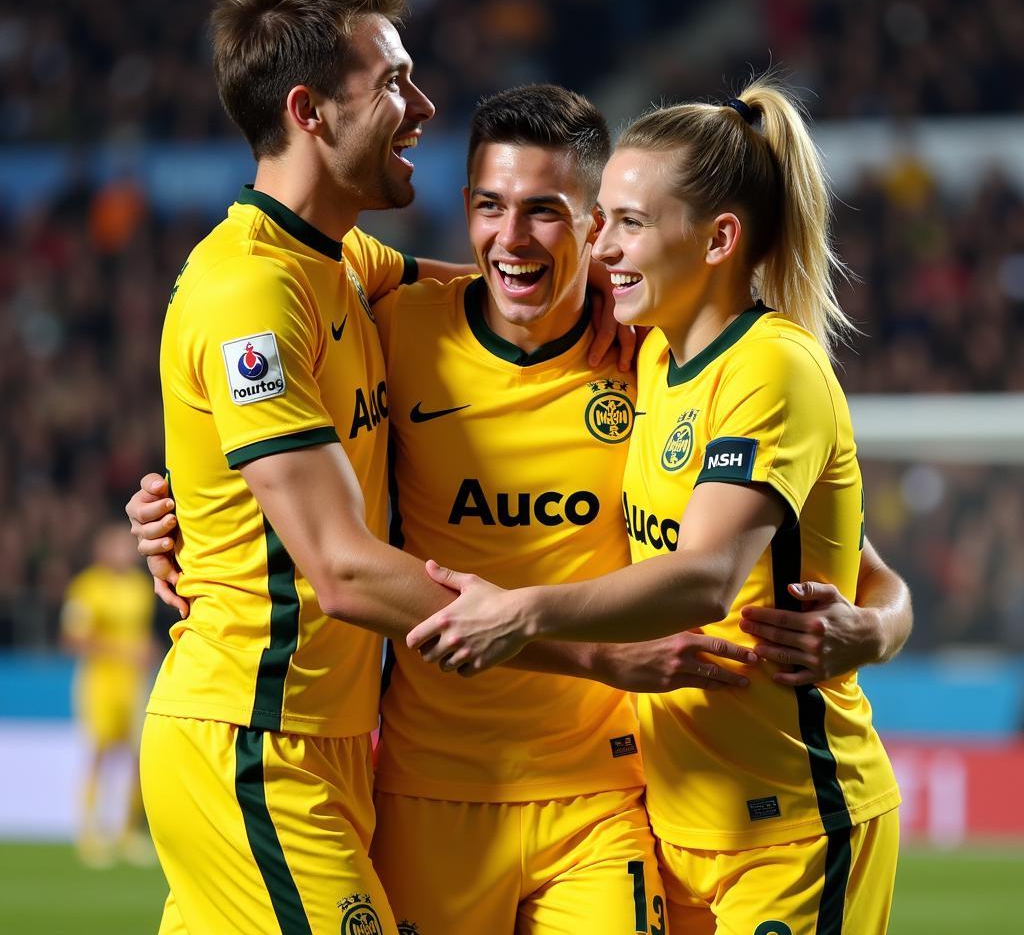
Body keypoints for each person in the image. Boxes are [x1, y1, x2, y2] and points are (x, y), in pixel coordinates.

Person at [132, 80, 910, 933]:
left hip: (605, 794)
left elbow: (830, 555)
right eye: (491, 207)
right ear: (466, 207)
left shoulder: (652, 353)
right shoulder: (396, 317)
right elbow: (259, 362)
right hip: (430, 787)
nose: (511, 237)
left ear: (592, 225)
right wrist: (191, 510)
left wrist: (877, 629)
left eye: (548, 212)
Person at [409, 80, 904, 934]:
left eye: (629, 223)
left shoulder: (772, 367)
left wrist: (522, 614)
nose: (602, 248)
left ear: (718, 238)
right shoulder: (652, 361)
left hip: (789, 821)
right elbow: (857, 564)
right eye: (599, 221)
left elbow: (708, 577)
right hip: (676, 826)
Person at [142, 0, 481, 935]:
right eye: (392, 83)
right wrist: (588, 641)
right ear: (310, 111)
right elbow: (339, 570)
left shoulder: (338, 262)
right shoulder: (251, 292)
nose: (421, 103)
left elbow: (498, 299)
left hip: (321, 740)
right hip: (252, 738)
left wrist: (641, 290)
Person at [60, 523, 156, 867]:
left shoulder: (139, 587)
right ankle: (89, 833)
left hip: (134, 683)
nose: (125, 551)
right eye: (117, 545)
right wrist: (122, 651)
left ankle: (127, 833)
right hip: (100, 682)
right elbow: (72, 639)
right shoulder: (87, 587)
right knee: (99, 753)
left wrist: (146, 651)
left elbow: (141, 634)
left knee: (135, 758)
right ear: (101, 550)